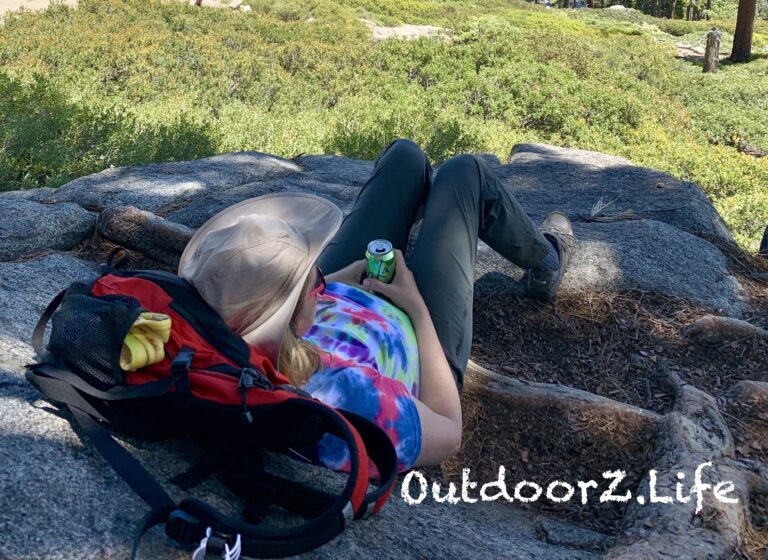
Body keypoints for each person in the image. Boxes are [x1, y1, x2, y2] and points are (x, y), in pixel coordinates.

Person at [179, 139, 576, 475]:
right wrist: (416, 306)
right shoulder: (349, 399)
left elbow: (276, 314)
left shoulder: (225, 339)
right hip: (418, 341)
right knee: (464, 173)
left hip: (338, 302)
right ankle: (545, 260)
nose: (315, 281)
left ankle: (425, 212)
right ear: (294, 307)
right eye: (309, 280)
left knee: (404, 157)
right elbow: (449, 432)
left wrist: (332, 282)